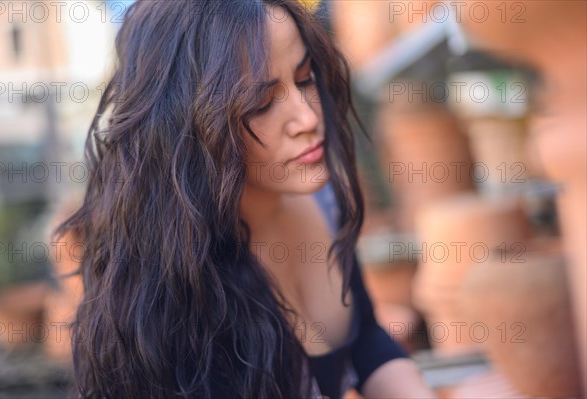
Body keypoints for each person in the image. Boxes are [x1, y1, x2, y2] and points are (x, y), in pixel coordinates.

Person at [55, 0, 435, 398]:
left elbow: (367, 343)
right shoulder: (178, 291)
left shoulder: (326, 201)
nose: (307, 118)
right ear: (189, 124)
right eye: (261, 103)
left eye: (305, 79)